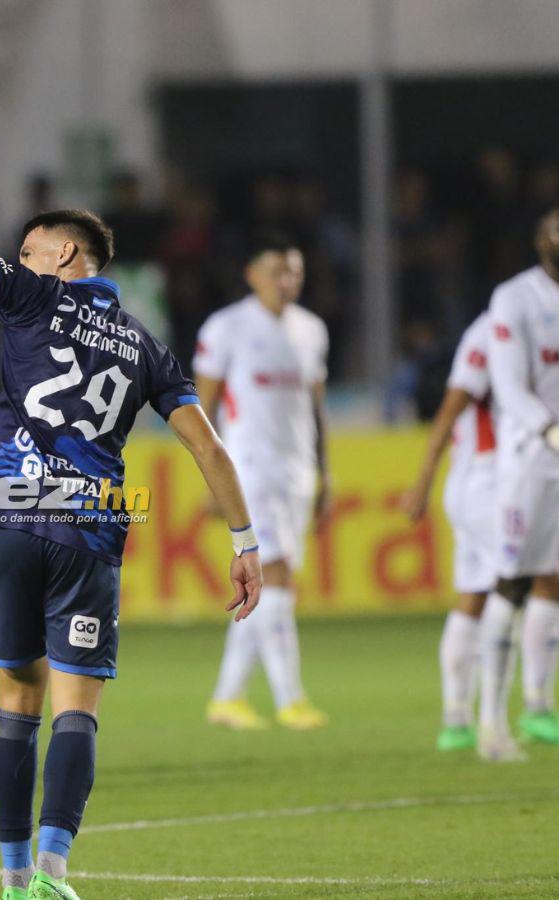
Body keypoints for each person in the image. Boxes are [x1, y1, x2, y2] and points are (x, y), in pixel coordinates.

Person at [0, 129, 263, 900]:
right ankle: (53, 876)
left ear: (68, 260)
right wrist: (244, 541)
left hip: (14, 518)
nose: (23, 258)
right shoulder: (146, 346)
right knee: (77, 706)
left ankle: (10, 883)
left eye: (33, 249)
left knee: (16, 698)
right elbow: (209, 449)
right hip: (92, 531)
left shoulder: (33, 294)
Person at [195, 232, 331, 732]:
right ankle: (291, 699)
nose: (287, 280)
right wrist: (211, 480)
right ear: (252, 276)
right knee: (276, 577)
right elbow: (200, 407)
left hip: (297, 472)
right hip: (248, 469)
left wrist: (326, 473)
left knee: (272, 582)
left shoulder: (312, 330)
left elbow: (316, 410)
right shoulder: (227, 327)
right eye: (277, 271)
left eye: (294, 271)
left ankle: (227, 698)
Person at [476, 205, 559, 761]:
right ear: (541, 240)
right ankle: (491, 723)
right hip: (531, 459)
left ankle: (539, 703)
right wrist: (554, 434)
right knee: (512, 581)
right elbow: (508, 386)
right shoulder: (515, 299)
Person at [401, 312, 496, 751]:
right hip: (487, 485)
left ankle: (457, 719)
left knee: (476, 596)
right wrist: (422, 482)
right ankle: (527, 709)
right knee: (538, 585)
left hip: (486, 483)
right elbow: (447, 414)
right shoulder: (498, 335)